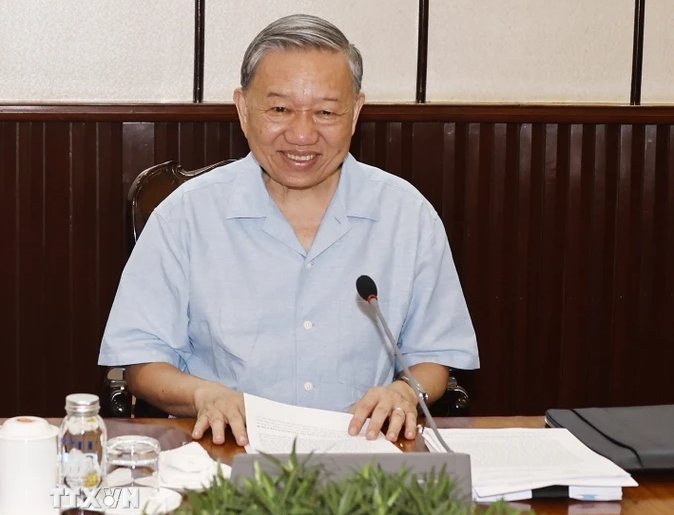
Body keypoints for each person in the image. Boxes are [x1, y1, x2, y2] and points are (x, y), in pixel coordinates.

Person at [98, 14, 479, 447]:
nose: (301, 135)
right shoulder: (184, 215)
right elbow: (139, 360)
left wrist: (404, 393)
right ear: (243, 109)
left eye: (326, 111)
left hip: (363, 455)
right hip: (224, 453)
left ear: (355, 112)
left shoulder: (407, 215)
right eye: (279, 109)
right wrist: (204, 393)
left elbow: (434, 356)